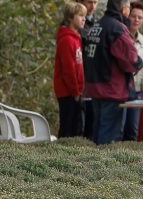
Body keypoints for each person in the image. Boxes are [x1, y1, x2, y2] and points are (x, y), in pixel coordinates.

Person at [83, 0, 141, 145]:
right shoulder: (117, 29)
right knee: (109, 138)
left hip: (94, 88)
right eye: (128, 7)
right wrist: (138, 62)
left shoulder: (97, 25)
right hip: (112, 90)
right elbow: (130, 61)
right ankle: (102, 167)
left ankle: (91, 165)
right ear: (124, 9)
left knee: (96, 133)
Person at [53, 2, 87, 138]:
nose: (84, 19)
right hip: (68, 92)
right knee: (68, 128)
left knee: (76, 126)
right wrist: (75, 91)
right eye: (80, 16)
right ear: (70, 18)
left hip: (76, 91)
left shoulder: (76, 38)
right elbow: (69, 69)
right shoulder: (67, 40)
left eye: (84, 16)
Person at [122, 1, 143, 141]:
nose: (136, 20)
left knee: (133, 132)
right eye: (134, 16)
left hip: (137, 92)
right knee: (119, 131)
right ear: (128, 16)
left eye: (140, 17)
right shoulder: (121, 36)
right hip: (121, 91)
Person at [79, 0, 99, 141]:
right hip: (81, 80)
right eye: (89, 2)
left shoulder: (98, 24)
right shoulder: (75, 25)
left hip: (94, 80)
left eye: (95, 2)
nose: (92, 6)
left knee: (92, 123)